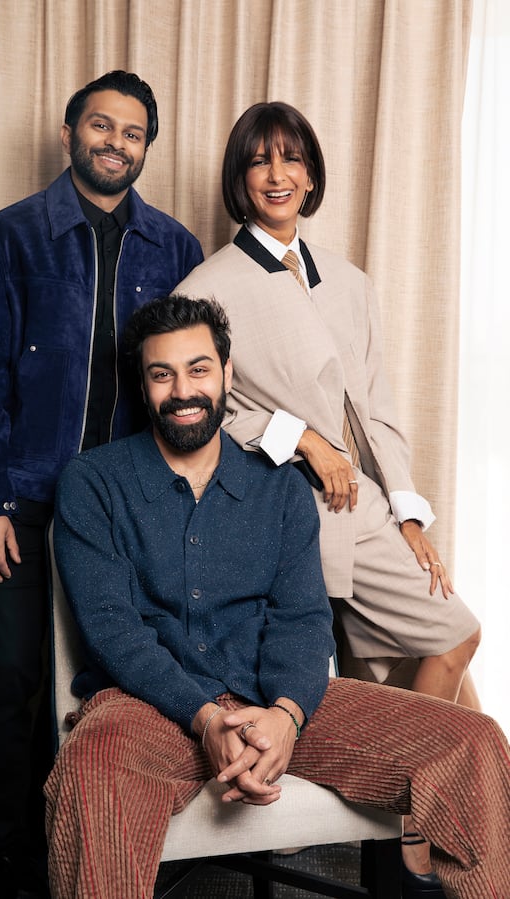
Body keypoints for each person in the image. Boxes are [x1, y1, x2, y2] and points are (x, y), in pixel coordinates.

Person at [45, 295, 509, 899]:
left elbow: (304, 620)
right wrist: (206, 716)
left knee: (473, 742)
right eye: (163, 374)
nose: (183, 390)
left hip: (275, 699)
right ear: (143, 383)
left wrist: (288, 715)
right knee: (93, 773)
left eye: (199, 369)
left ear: (227, 373)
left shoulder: (282, 489)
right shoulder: (93, 482)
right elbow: (113, 631)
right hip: (147, 708)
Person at [175, 102, 482, 880]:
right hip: (282, 510)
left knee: (451, 636)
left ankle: (422, 831)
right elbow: (203, 410)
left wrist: (408, 510)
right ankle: (429, 843)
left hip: (362, 506)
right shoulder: (210, 284)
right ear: (239, 181)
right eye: (260, 161)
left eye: (292, 159)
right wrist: (300, 437)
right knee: (371, 675)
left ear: (312, 174)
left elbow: (375, 406)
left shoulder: (349, 280)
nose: (277, 175)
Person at [0, 71, 203, 899]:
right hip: (23, 498)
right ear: (68, 133)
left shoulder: (175, 247)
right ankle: (2, 853)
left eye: (133, 133)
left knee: (120, 676)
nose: (115, 143)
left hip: (129, 510)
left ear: (145, 148)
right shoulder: (8, 237)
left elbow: (195, 381)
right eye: (102, 125)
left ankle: (103, 840)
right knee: (15, 672)